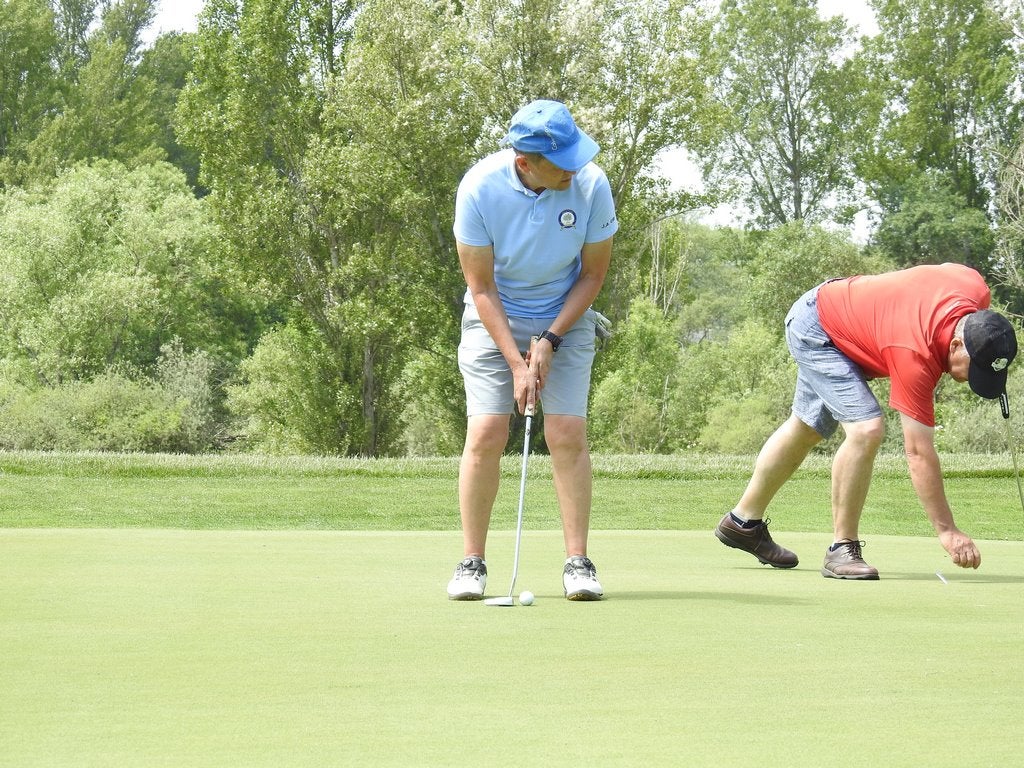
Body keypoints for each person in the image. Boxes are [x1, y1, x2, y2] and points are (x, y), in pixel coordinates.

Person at [714, 263, 1018, 580]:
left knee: (806, 428)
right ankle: (841, 550)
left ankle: (742, 523)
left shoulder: (975, 291)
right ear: (956, 344)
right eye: (974, 369)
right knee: (866, 429)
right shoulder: (914, 351)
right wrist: (947, 530)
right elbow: (918, 452)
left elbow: (945, 277)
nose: (970, 379)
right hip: (818, 327)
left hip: (839, 315)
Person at [446, 99, 618, 601]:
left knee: (566, 433)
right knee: (486, 431)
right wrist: (517, 361)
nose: (575, 168)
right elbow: (481, 289)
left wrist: (550, 340)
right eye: (562, 161)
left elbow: (593, 275)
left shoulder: (590, 184)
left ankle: (578, 562)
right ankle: (472, 562)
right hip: (493, 317)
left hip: (566, 313)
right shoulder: (479, 188)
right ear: (526, 162)